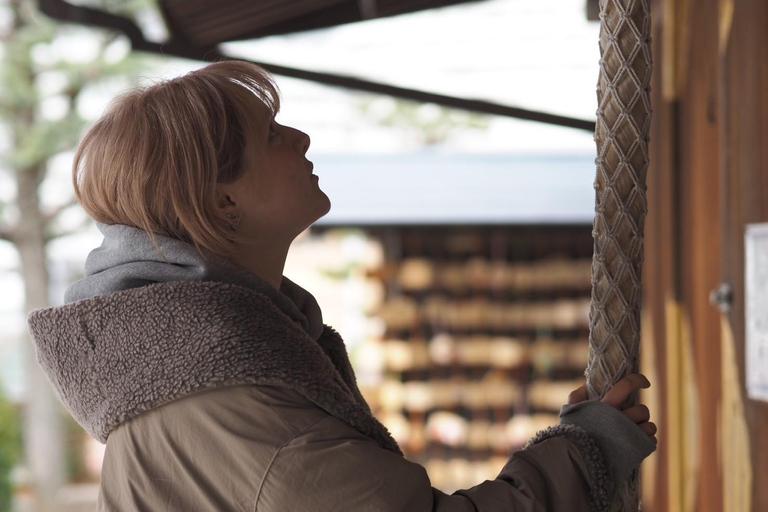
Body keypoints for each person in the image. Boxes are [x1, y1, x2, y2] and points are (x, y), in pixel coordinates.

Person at [27, 60, 657, 512]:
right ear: (223, 205)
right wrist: (587, 451)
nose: (301, 138)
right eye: (272, 136)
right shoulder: (234, 398)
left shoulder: (199, 371)